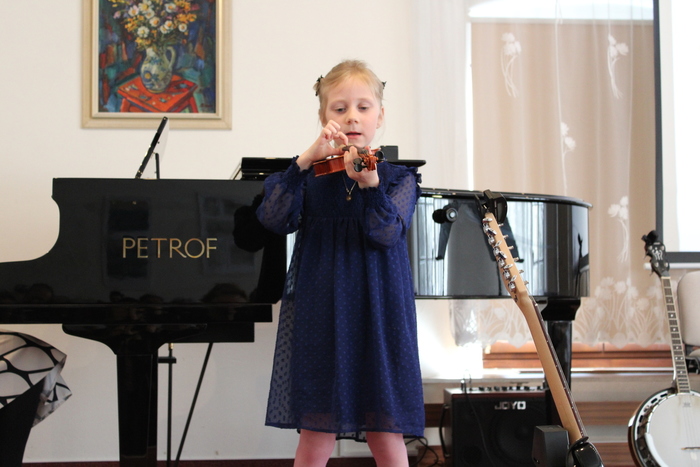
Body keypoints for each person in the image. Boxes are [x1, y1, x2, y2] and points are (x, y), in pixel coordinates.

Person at [256, 59, 424, 467]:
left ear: (379, 116)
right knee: (316, 432)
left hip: (379, 314)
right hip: (322, 312)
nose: (352, 117)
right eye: (340, 108)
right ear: (324, 117)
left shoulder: (399, 179)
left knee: (386, 433)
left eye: (364, 107)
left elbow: (386, 232)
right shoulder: (311, 178)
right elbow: (273, 218)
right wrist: (304, 160)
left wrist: (370, 185)